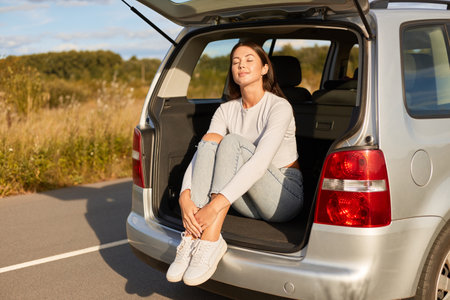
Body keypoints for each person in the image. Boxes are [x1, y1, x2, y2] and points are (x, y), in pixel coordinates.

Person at [166, 41, 304, 286]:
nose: (241, 65)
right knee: (210, 142)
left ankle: (209, 240)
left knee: (230, 143)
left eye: (249, 59)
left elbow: (260, 163)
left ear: (264, 69)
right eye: (236, 61)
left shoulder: (279, 107)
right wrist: (185, 196)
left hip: (283, 196)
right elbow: (203, 153)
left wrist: (214, 206)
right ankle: (192, 238)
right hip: (246, 199)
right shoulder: (226, 110)